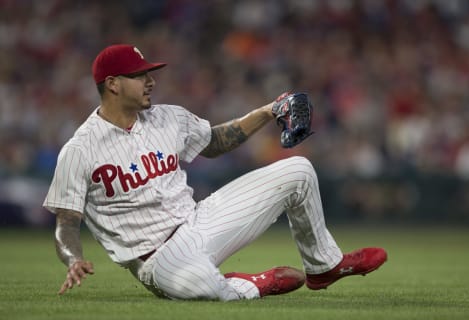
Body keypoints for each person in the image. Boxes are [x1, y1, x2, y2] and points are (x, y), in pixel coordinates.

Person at [43, 44, 387, 301]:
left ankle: (323, 265)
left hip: (200, 221)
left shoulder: (168, 117)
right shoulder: (80, 149)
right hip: (157, 258)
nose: (150, 81)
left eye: (150, 73)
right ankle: (251, 284)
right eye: (140, 75)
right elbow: (67, 222)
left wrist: (269, 111)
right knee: (211, 290)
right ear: (113, 84)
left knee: (299, 170)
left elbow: (217, 141)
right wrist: (73, 258)